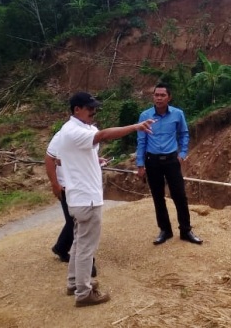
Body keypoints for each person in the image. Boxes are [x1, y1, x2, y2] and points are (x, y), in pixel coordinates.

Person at [58, 91, 154, 307]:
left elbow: (81, 151)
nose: (94, 111)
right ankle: (84, 293)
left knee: (78, 241)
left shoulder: (71, 129)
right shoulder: (75, 130)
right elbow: (102, 136)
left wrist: (94, 158)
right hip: (86, 198)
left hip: (78, 197)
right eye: (90, 108)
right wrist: (135, 126)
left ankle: (74, 282)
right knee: (85, 246)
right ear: (77, 110)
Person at [136, 83, 203, 246]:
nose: (158, 98)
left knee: (180, 195)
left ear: (169, 97)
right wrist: (140, 165)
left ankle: (186, 230)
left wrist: (182, 153)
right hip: (152, 162)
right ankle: (165, 230)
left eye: (162, 95)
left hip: (172, 161)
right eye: (156, 95)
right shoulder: (145, 116)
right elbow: (141, 140)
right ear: (153, 96)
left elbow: (184, 134)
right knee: (158, 197)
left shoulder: (178, 114)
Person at [44, 130, 98, 277]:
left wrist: (96, 161)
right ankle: (87, 264)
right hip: (68, 186)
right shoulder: (64, 135)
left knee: (73, 221)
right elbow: (50, 159)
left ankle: (61, 247)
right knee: (79, 223)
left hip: (82, 184)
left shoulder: (88, 132)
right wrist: (55, 184)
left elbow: (79, 158)